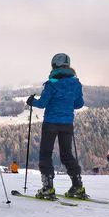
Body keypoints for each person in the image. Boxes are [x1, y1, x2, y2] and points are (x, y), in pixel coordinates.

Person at [26, 53, 86, 200]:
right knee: (67, 154)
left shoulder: (51, 84)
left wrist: (31, 101)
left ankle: (47, 188)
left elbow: (42, 103)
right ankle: (77, 186)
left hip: (51, 123)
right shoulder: (76, 84)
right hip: (67, 124)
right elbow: (79, 104)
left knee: (45, 154)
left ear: (54, 65)